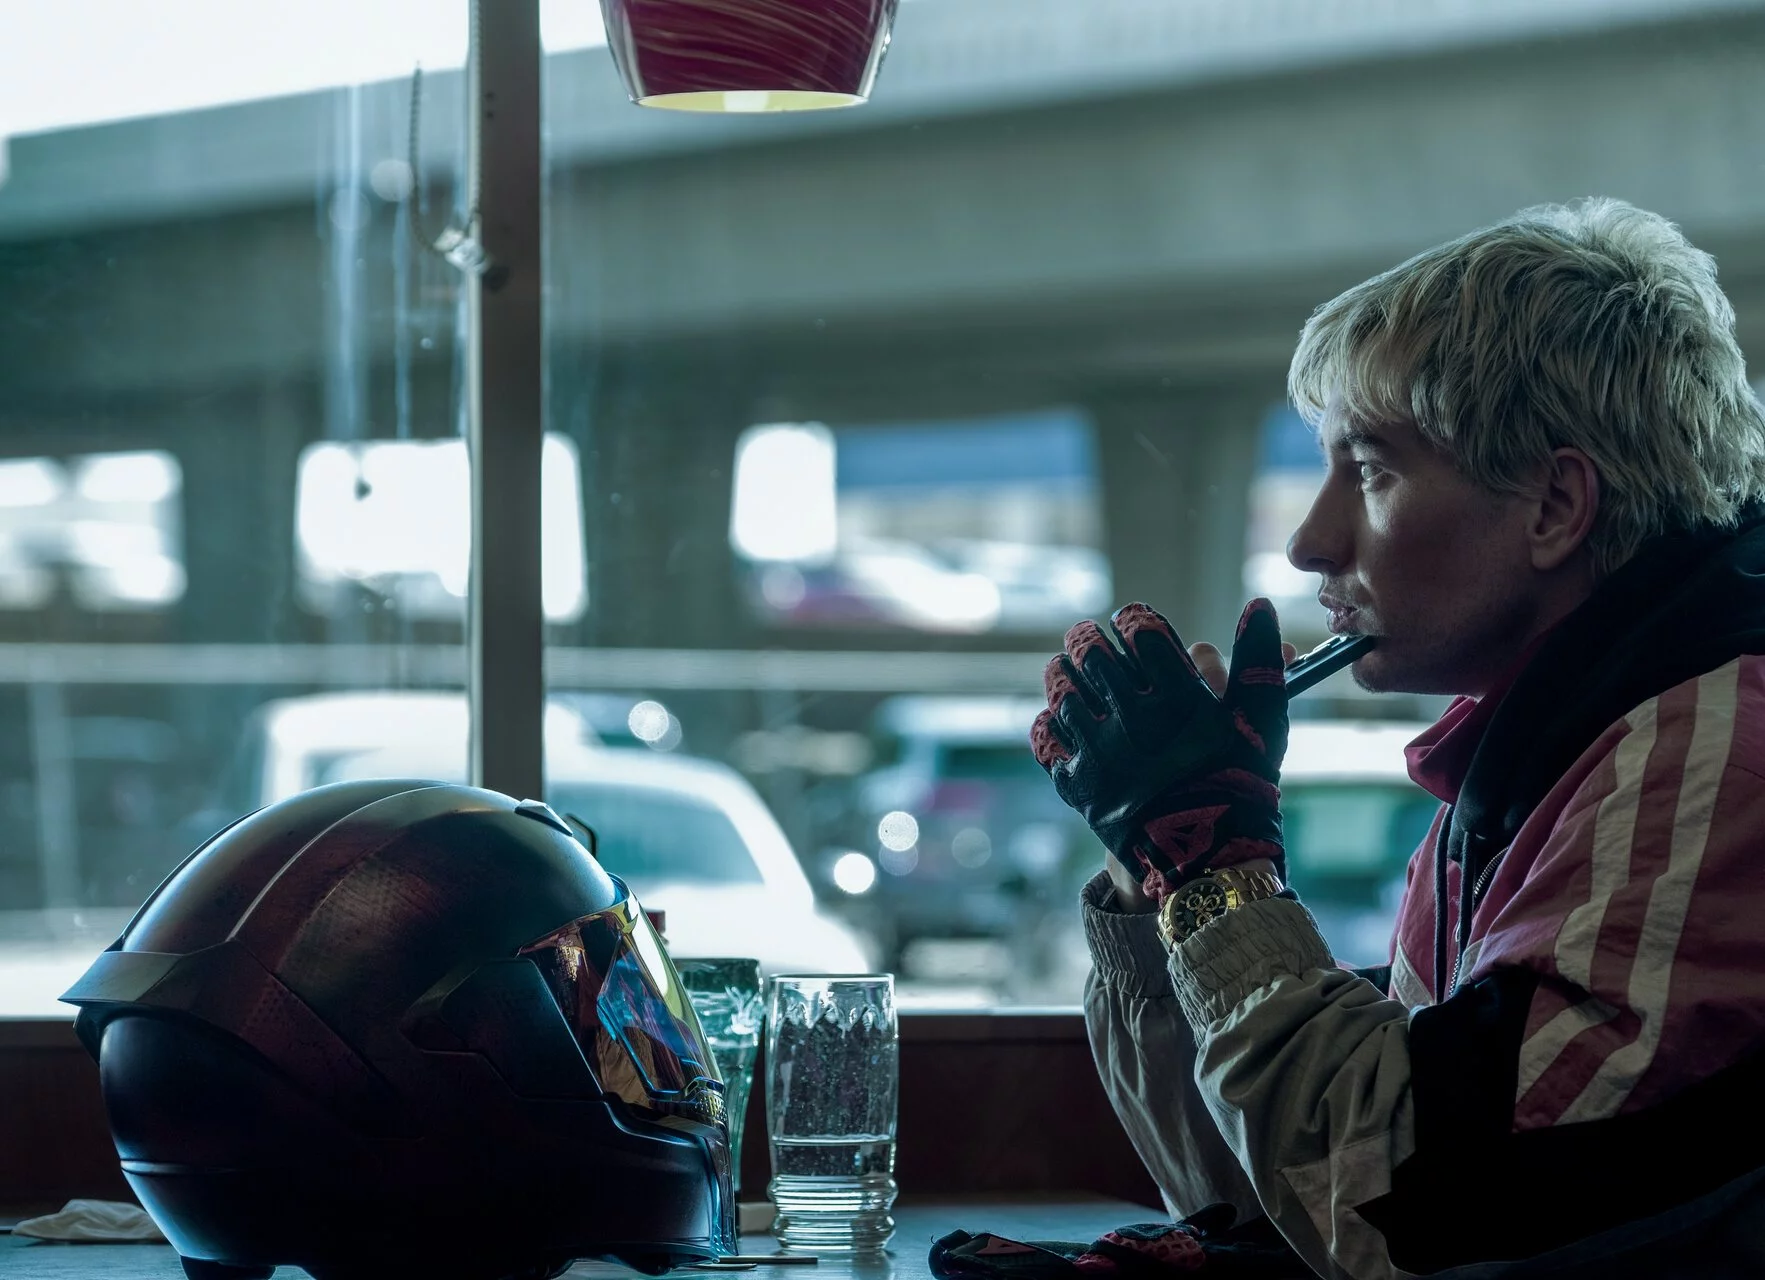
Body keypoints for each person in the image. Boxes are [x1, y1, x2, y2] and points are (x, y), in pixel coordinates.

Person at [1031, 198, 1765, 1278]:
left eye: (1370, 470)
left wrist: (1214, 868)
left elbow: (1410, 1218)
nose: (1307, 542)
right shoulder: (1538, 755)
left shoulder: (1703, 753)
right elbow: (1266, 1202)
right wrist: (1155, 856)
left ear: (1554, 505)